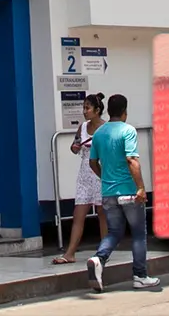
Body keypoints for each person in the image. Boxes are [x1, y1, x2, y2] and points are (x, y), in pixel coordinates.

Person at [86, 95, 159, 292]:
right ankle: (140, 276)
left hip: (108, 193)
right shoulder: (128, 130)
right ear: (125, 111)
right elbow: (132, 160)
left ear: (108, 111)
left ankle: (99, 258)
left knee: (114, 232)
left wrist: (105, 177)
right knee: (138, 234)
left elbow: (92, 162)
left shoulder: (99, 133)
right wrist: (141, 187)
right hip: (129, 192)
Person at [53, 93, 108, 265]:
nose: (84, 111)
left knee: (102, 214)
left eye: (87, 108)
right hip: (84, 174)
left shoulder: (106, 128)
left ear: (97, 110)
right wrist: (75, 146)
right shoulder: (83, 127)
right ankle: (70, 253)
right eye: (83, 108)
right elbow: (74, 146)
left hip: (100, 172)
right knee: (79, 213)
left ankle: (104, 252)